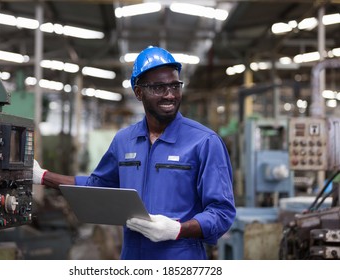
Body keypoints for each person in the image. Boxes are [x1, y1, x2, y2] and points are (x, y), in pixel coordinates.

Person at [33, 46, 236, 260]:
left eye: (175, 86)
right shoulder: (124, 141)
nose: (170, 94)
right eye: (159, 87)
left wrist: (177, 229)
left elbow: (222, 213)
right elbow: (97, 187)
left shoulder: (205, 142)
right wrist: (43, 177)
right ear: (139, 92)